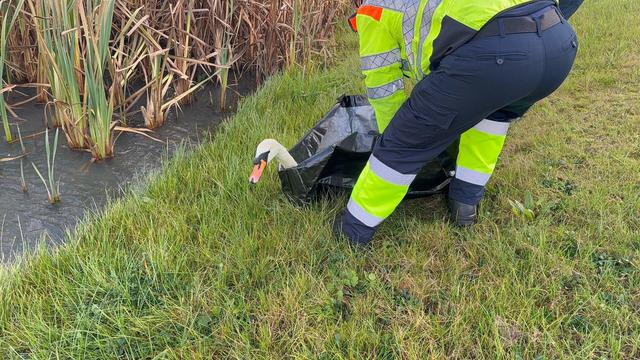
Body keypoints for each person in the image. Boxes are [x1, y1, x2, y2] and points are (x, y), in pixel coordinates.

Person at [334, 0, 584, 245]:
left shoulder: (374, 9)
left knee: (403, 143)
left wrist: (396, 137)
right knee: (491, 117)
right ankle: (465, 205)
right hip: (558, 45)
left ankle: (352, 231)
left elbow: (383, 89)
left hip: (496, 56)